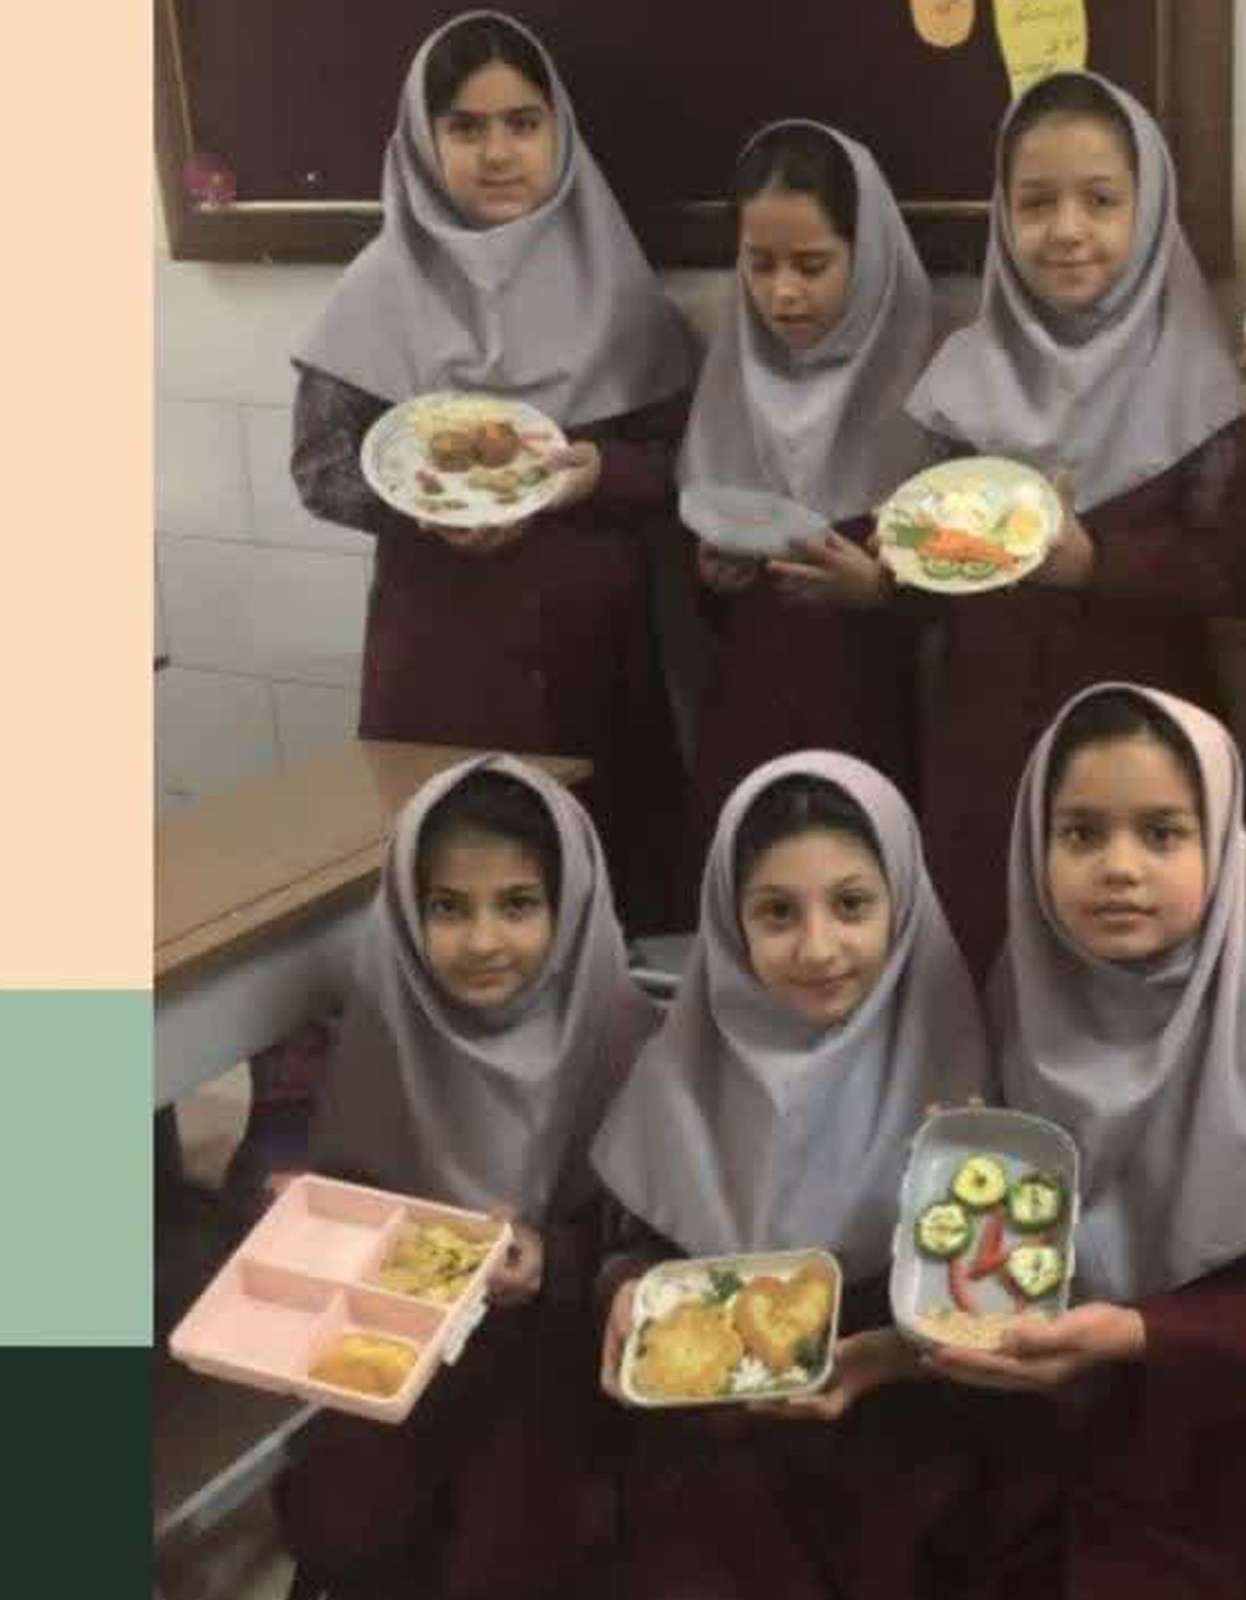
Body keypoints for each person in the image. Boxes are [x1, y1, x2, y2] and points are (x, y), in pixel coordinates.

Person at [931, 684, 1246, 1598]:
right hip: (1044, 1414)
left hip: (1230, 1438)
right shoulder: (1023, 994)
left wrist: (1141, 1335)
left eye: (1162, 834)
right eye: (1080, 834)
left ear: (1220, 843)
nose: (1119, 868)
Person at [289, 9, 701, 933]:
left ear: (559, 131)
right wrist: (419, 507)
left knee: (603, 892)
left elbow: (685, 466)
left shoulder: (616, 286)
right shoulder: (378, 287)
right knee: (456, 895)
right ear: (423, 140)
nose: (498, 153)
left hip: (594, 650)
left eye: (523, 122)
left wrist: (602, 476)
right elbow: (319, 466)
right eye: (466, 127)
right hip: (443, 647)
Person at [590, 753, 992, 1600]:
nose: (817, 948)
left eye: (851, 905)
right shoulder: (682, 1068)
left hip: (906, 1469)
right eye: (777, 912)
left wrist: (892, 1359)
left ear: (903, 905)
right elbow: (630, 1244)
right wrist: (627, 1291)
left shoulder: (967, 1080)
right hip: (715, 1474)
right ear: (728, 921)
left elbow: (998, 1323)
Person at [903, 72, 1246, 978]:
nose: (1066, 230)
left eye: (1101, 201)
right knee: (987, 959)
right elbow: (930, 558)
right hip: (986, 735)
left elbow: (1235, 573)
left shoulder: (1199, 380)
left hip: (1146, 741)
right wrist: (889, 568)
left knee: (1135, 973)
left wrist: (1098, 561)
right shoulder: (962, 377)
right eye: (1035, 203)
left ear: (1150, 211)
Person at [275, 755, 661, 1598]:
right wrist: (291, 1200)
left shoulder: (626, 1036)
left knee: (515, 1544)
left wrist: (551, 1259)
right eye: (448, 907)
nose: (483, 941)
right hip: (400, 1337)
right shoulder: (386, 1015)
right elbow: (303, 1158)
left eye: (518, 904)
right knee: (347, 1522)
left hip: (564, 1349)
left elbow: (656, 1243)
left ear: (569, 904)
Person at [679, 121, 933, 835]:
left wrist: (881, 590)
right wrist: (714, 576)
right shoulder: (729, 379)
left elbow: (966, 606)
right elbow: (697, 610)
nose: (783, 294)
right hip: (748, 717)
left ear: (867, 256)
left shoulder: (929, 391)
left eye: (813, 265)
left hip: (870, 716)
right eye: (759, 265)